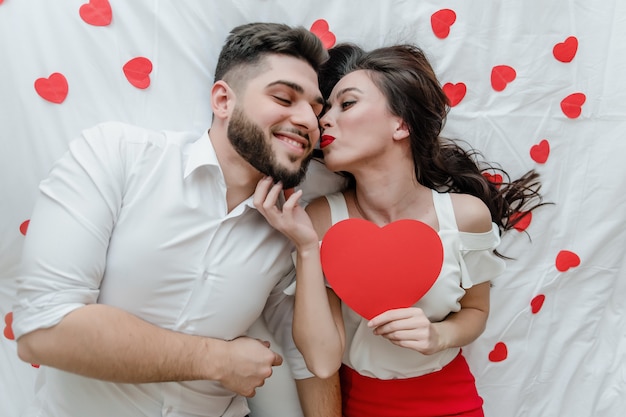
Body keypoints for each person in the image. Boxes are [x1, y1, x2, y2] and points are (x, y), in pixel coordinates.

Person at [12, 22, 342, 417]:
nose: (308, 120)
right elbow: (43, 331)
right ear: (223, 100)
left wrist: (307, 249)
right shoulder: (118, 156)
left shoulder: (288, 228)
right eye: (285, 97)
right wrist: (216, 360)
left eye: (315, 109)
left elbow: (312, 362)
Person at [254, 42, 546, 417]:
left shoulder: (465, 217)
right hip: (364, 405)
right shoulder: (324, 219)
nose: (323, 120)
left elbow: (475, 312)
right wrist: (308, 248)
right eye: (326, 110)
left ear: (401, 123)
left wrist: (437, 335)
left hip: (454, 403)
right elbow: (323, 363)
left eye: (347, 104)